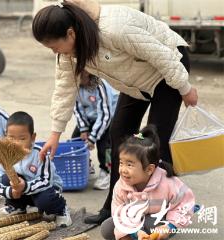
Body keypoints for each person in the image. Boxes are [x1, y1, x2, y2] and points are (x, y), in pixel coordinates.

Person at [32, 0, 198, 224]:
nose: (54, 52)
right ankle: (114, 206)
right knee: (118, 134)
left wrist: (185, 89)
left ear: (70, 33)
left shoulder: (114, 29)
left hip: (167, 69)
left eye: (53, 46)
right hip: (134, 80)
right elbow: (64, 89)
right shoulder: (67, 54)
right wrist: (55, 133)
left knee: (154, 140)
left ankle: (164, 209)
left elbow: (162, 56)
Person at [100, 125, 195, 240]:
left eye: (129, 164)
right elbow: (118, 213)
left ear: (149, 169)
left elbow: (185, 204)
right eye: (121, 163)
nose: (123, 169)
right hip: (132, 220)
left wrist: (170, 226)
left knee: (152, 224)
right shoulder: (121, 186)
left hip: (157, 220)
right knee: (107, 227)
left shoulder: (168, 183)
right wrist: (136, 232)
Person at [0, 111, 72, 227]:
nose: (16, 143)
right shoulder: (6, 155)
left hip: (45, 191)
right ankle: (17, 206)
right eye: (11, 138)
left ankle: (60, 209)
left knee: (45, 201)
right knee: (5, 178)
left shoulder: (40, 154)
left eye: (22, 138)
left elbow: (46, 181)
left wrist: (25, 186)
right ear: (5, 136)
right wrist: (10, 192)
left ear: (33, 137)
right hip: (22, 193)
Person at [72, 70, 119, 190]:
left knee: (104, 145)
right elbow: (77, 109)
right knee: (75, 140)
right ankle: (86, 165)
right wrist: (83, 129)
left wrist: (92, 138)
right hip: (90, 117)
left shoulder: (100, 86)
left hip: (107, 118)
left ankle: (106, 171)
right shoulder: (76, 86)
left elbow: (105, 115)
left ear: (87, 73)